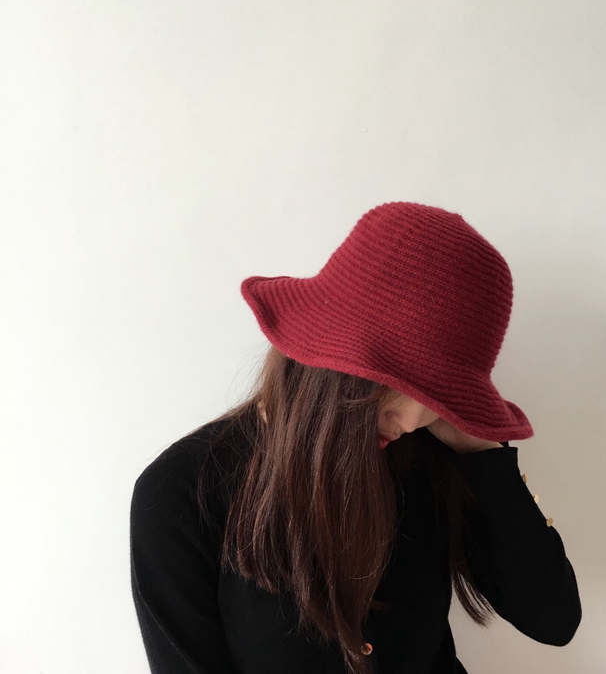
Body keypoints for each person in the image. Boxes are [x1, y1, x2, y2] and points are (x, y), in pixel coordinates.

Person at [129, 201, 582, 674]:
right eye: (402, 384)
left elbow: (553, 619)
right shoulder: (183, 493)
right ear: (335, 356)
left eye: (435, 392)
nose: (413, 419)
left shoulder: (430, 455)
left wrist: (478, 450)